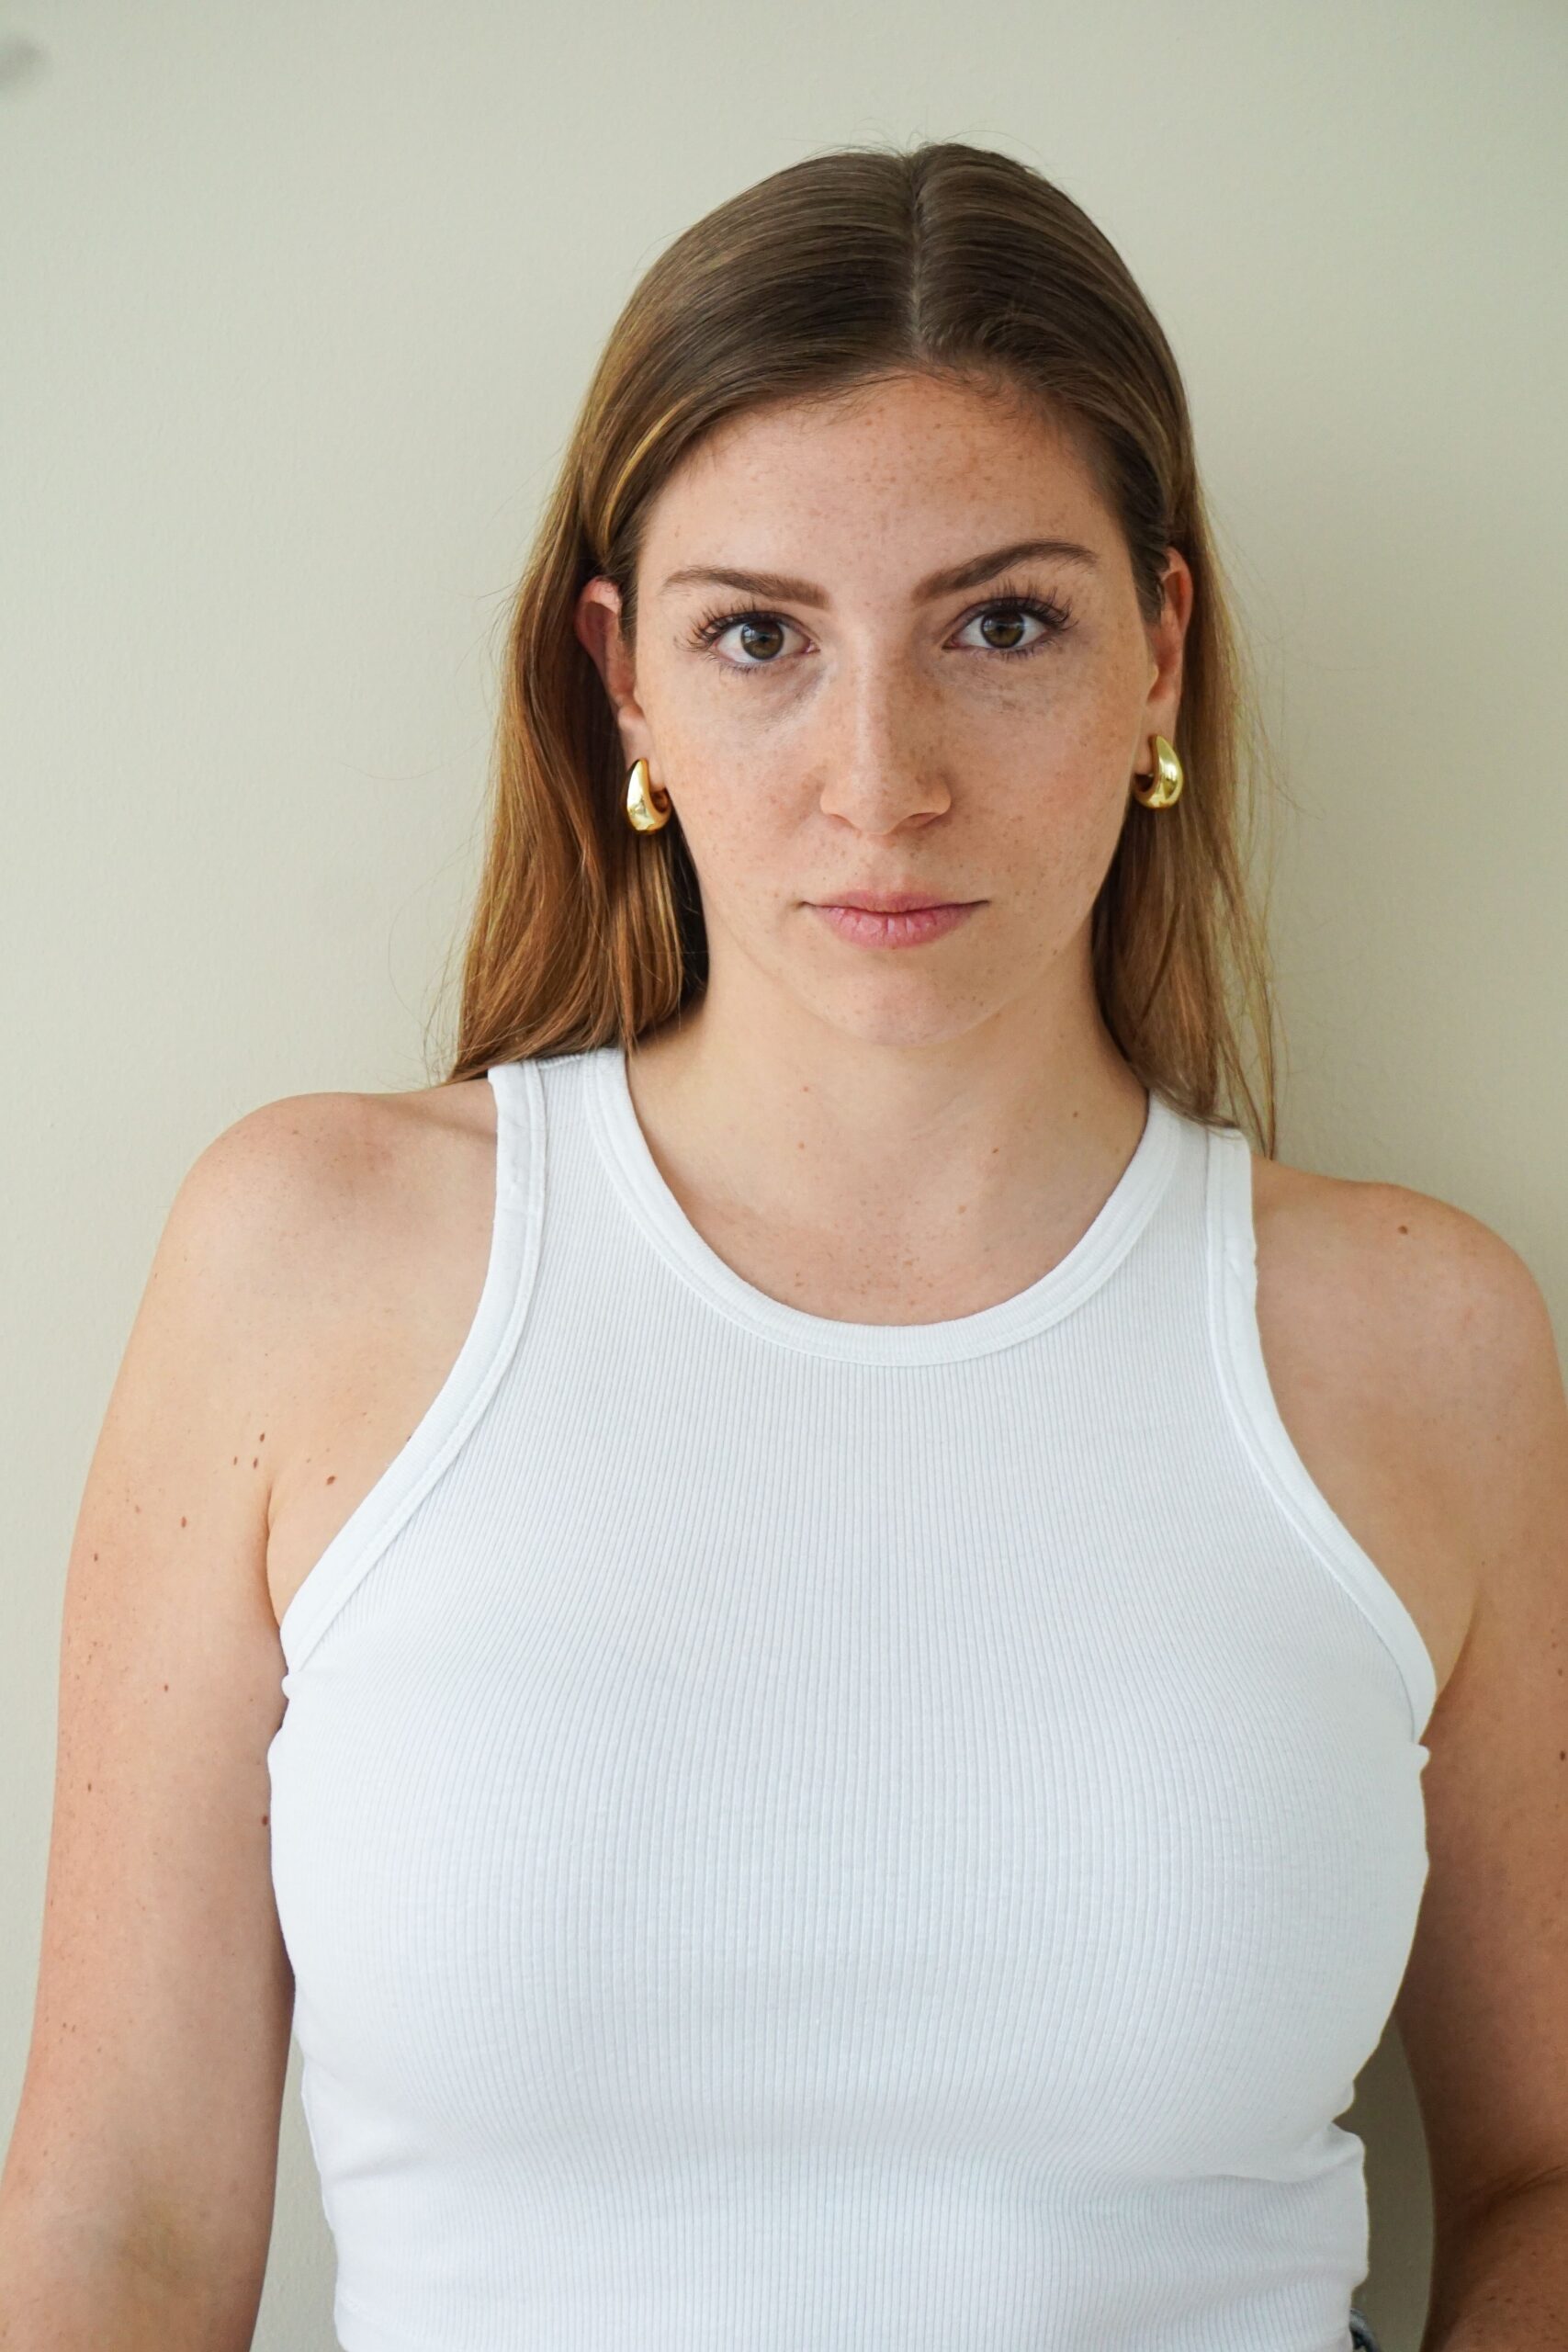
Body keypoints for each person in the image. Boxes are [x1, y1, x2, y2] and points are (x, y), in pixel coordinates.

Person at [3, 138, 1565, 2352]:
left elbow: (1543, 2171)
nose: (878, 778)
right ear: (622, 681)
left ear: (1157, 652)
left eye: (999, 625)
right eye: (758, 636)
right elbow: (124, 2229)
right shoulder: (310, 1261)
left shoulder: (1414, 1335)